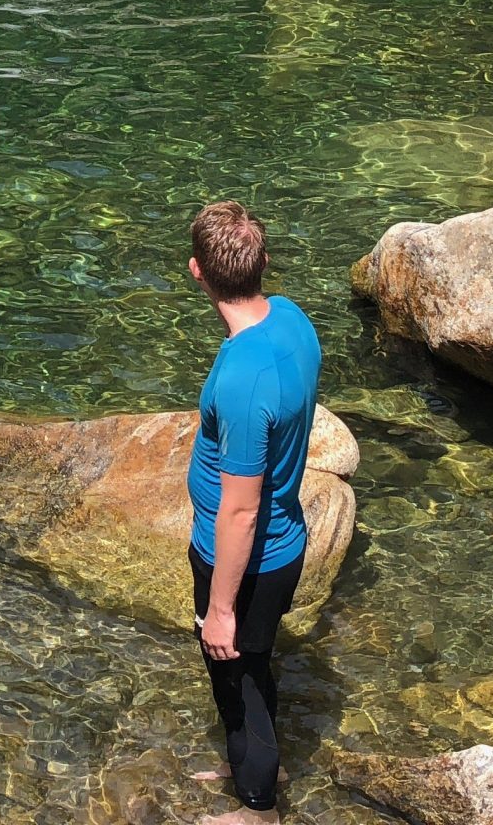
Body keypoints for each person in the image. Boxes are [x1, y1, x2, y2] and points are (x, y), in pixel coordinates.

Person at [185, 200, 321, 825]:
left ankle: (258, 806)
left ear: (198, 273)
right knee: (256, 665)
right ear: (264, 263)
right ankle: (256, 762)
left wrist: (218, 610)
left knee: (232, 672)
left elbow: (239, 514)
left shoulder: (243, 380)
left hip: (245, 557)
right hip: (284, 543)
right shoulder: (291, 320)